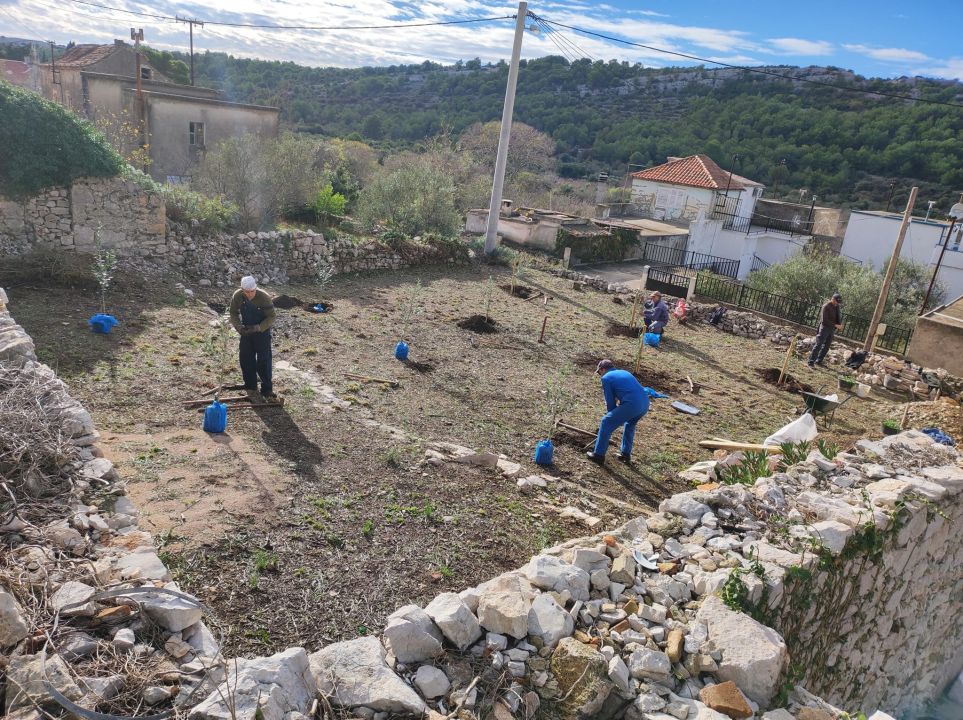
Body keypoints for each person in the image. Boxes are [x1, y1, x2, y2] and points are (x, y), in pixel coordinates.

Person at [586, 359, 650, 465]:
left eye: (599, 372)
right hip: (645, 403)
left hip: (632, 405)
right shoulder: (625, 372)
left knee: (606, 422)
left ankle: (598, 455)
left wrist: (613, 418)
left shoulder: (606, 378)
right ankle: (625, 454)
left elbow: (610, 401)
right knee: (630, 425)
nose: (600, 375)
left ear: (604, 369)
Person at [229, 277, 277, 398]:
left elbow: (272, 316)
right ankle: (250, 386)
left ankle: (266, 389)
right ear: (242, 290)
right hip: (246, 332)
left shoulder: (264, 297)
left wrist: (258, 327)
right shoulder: (237, 296)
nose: (250, 294)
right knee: (246, 359)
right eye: (247, 292)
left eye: (252, 291)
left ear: (256, 288)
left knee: (264, 361)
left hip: (262, 332)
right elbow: (233, 312)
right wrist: (238, 327)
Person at [808, 293, 843, 369]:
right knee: (818, 344)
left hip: (831, 329)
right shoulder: (826, 306)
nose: (837, 303)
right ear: (832, 299)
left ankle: (819, 361)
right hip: (824, 328)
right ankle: (811, 362)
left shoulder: (836, 307)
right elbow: (824, 320)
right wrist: (836, 325)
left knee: (826, 346)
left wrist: (837, 325)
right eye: (837, 301)